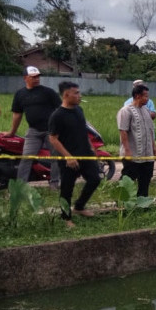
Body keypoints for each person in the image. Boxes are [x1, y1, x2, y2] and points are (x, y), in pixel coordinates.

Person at [48, 81, 101, 226]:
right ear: (66, 95)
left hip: (85, 154)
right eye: (76, 93)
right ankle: (66, 217)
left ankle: (79, 206)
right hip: (69, 158)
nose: (80, 95)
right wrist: (68, 156)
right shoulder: (57, 115)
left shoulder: (79, 110)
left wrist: (91, 148)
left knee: (95, 179)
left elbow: (83, 131)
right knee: (67, 188)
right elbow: (53, 139)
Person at [1, 66, 61, 189]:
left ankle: (55, 184)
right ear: (25, 78)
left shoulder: (48, 92)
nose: (36, 79)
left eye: (38, 76)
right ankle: (20, 187)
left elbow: (61, 109)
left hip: (51, 131)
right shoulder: (20, 94)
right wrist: (12, 132)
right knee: (26, 158)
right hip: (33, 132)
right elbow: (17, 114)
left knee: (56, 157)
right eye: (33, 77)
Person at [117, 83, 156, 197]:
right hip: (132, 153)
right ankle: (121, 201)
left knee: (146, 178)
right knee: (128, 178)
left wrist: (154, 147)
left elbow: (150, 130)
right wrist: (127, 150)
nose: (147, 99)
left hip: (147, 153)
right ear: (138, 96)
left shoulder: (146, 110)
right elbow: (123, 131)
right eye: (145, 96)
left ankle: (142, 202)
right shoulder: (126, 111)